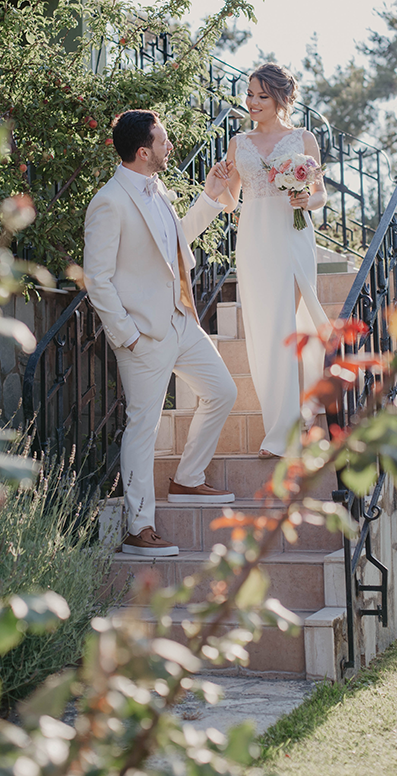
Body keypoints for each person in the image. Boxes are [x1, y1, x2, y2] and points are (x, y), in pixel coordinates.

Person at [82, 109, 240, 557]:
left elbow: (175, 242)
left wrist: (210, 197)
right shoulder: (109, 202)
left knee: (222, 391)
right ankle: (140, 528)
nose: (170, 146)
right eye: (163, 140)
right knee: (143, 429)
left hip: (179, 321)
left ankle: (187, 478)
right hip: (143, 336)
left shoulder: (157, 189)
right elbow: (97, 279)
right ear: (142, 151)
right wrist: (127, 335)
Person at [210, 63, 330, 459]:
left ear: (281, 98)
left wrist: (306, 199)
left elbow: (320, 195)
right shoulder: (238, 143)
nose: (253, 102)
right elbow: (231, 202)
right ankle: (290, 419)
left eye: (262, 95)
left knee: (285, 327)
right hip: (254, 241)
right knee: (264, 333)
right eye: (250, 94)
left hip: (292, 237)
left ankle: (284, 434)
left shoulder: (303, 138)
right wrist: (218, 184)